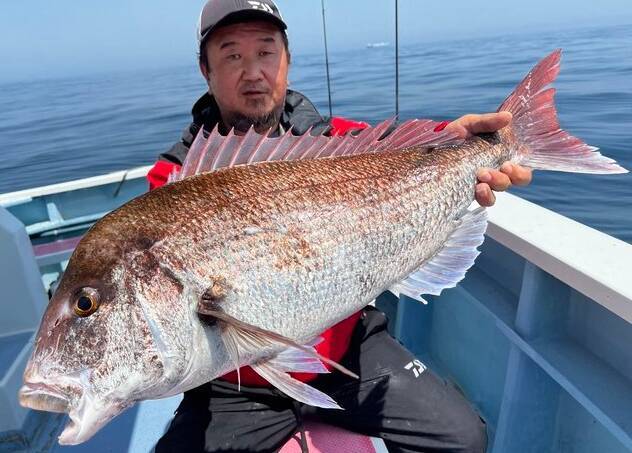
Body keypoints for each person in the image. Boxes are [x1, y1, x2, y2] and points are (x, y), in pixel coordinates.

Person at [149, 1, 532, 452]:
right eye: (232, 55)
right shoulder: (174, 179)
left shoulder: (336, 141)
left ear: (287, 60)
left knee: (463, 438)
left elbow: (393, 150)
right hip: (237, 382)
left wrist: (459, 142)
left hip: (345, 353)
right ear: (206, 70)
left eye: (266, 52)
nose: (253, 72)